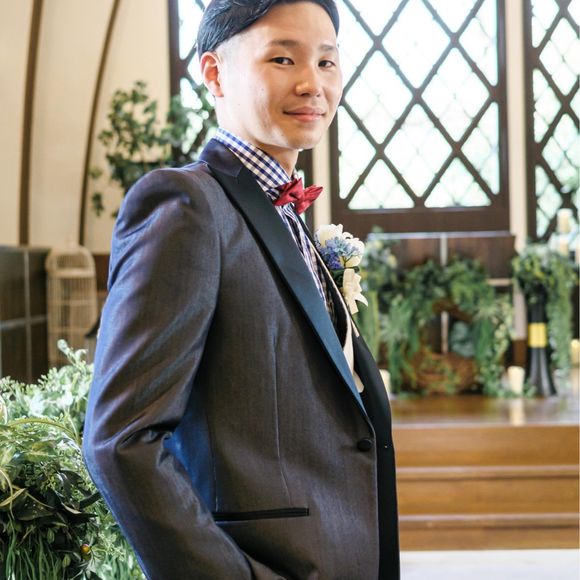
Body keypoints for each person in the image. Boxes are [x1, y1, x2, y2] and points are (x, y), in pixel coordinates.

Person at [82, 1, 400, 578]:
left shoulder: (287, 213)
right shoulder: (187, 206)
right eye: (283, 59)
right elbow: (121, 440)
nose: (312, 84)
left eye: (327, 62)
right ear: (214, 73)